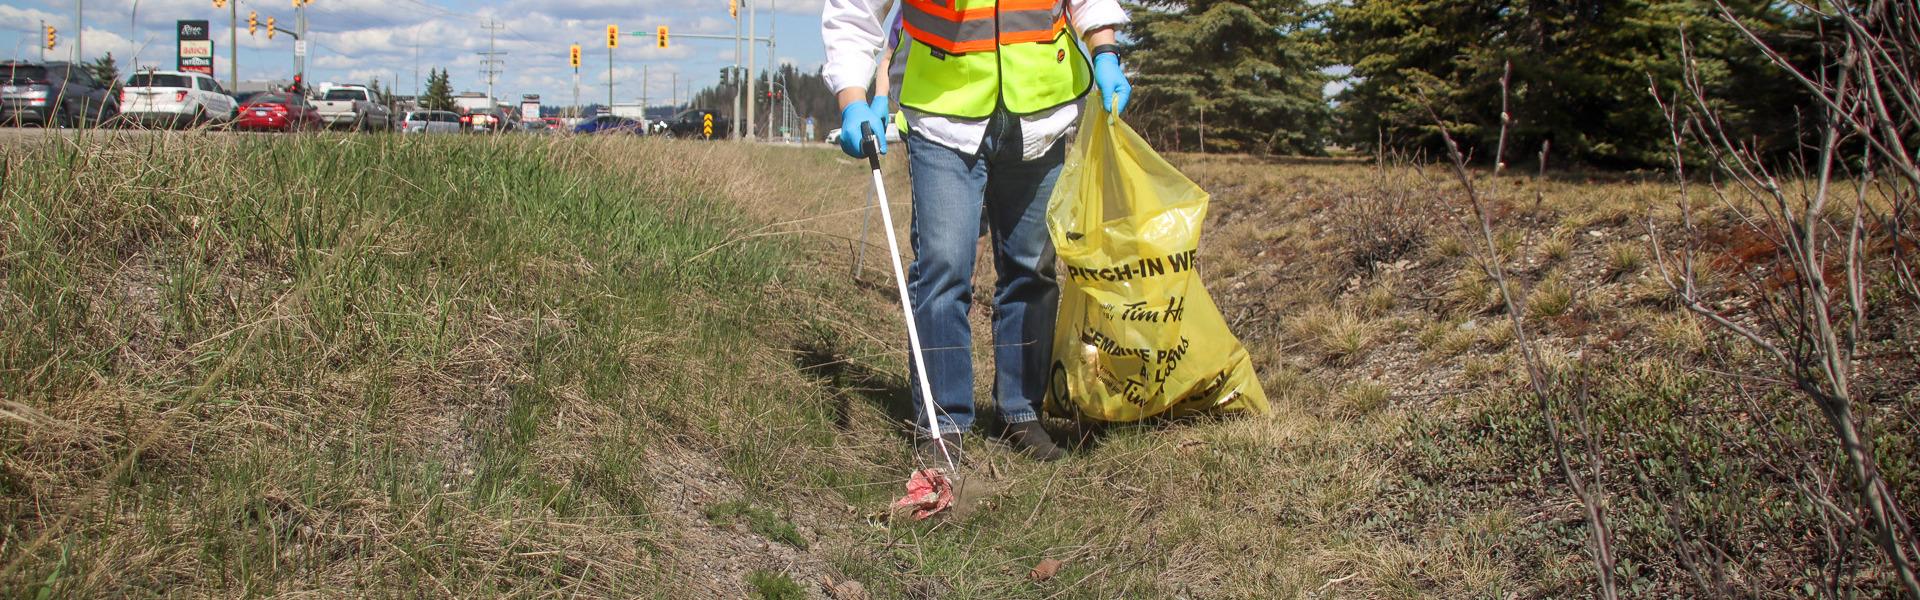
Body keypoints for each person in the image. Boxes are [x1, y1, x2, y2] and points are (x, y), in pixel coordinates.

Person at [822, 0, 1132, 464]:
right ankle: (943, 425)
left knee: (1033, 270)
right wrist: (853, 98)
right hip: (943, 114)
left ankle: (1020, 413)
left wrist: (1105, 52)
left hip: (1041, 112)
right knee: (943, 269)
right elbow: (853, 10)